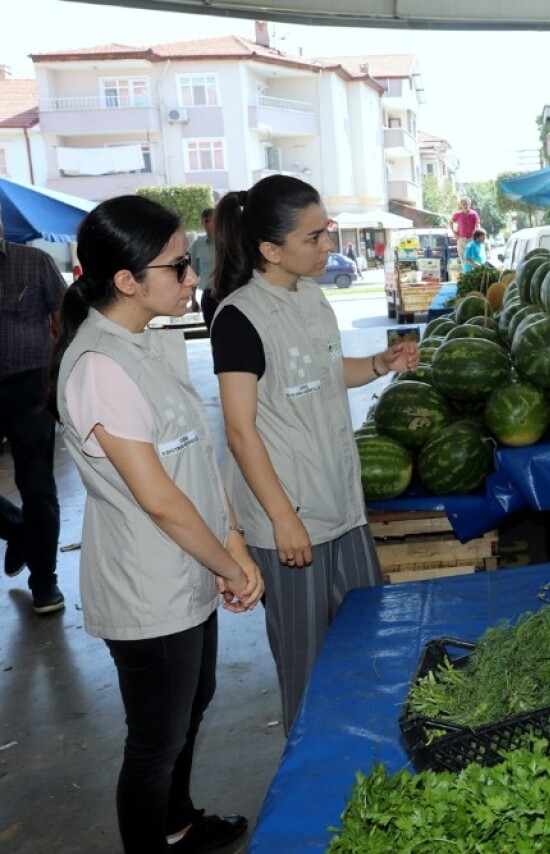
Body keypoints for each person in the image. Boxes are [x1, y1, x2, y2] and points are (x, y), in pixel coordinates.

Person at [46, 195, 265, 853]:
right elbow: (160, 499)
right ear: (126, 280)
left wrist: (228, 540)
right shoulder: (98, 367)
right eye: (178, 266)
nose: (193, 277)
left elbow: (195, 456)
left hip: (187, 567)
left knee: (189, 710)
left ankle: (178, 824)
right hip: (148, 586)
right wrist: (231, 564)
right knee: (155, 741)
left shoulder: (144, 344)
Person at [209, 174, 419, 731]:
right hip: (292, 522)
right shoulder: (239, 317)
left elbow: (324, 375)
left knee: (368, 647)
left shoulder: (313, 296)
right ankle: (312, 785)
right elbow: (239, 429)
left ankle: (368, 760)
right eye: (314, 238)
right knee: (308, 672)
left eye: (326, 231)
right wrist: (282, 520)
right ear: (270, 250)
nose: (329, 245)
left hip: (342, 509)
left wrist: (379, 364)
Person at [0, 210, 65, 614]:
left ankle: (44, 581)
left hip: (29, 385)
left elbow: (64, 319)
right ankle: (19, 529)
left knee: (37, 485)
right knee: (32, 505)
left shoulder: (33, 261)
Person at [189, 207, 217, 326]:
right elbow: (193, 273)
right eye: (205, 221)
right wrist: (193, 299)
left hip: (230, 294)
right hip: (209, 295)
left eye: (211, 220)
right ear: (202, 223)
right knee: (212, 332)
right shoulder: (197, 245)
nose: (208, 224)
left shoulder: (228, 242)